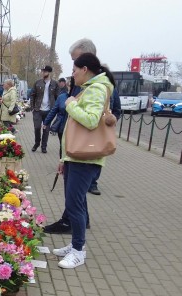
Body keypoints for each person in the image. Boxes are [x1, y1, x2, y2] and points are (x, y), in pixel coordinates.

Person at [44, 38, 121, 234]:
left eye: (75, 62)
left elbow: (98, 116)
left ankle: (76, 239)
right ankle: (73, 222)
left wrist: (72, 105)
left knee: (76, 196)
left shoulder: (97, 85)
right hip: (74, 144)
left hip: (86, 148)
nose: (73, 69)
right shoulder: (89, 82)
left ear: (86, 63)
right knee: (74, 195)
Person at [52, 53, 115, 269]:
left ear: (85, 69)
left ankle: (78, 250)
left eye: (75, 69)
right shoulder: (90, 88)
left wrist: (70, 104)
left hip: (85, 158)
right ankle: (75, 244)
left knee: (74, 204)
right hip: (75, 156)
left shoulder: (97, 89)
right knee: (76, 202)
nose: (73, 73)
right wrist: (64, 158)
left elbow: (90, 121)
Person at [29, 65, 60, 153]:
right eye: (42, 71)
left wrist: (56, 110)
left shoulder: (55, 84)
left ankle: (44, 146)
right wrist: (32, 108)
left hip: (49, 111)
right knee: (37, 127)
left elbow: (58, 97)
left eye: (44, 71)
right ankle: (37, 143)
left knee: (46, 129)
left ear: (49, 73)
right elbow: (32, 95)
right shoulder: (37, 82)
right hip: (38, 109)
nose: (42, 73)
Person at [42, 78, 70, 144]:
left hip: (73, 129)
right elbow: (54, 110)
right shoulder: (61, 96)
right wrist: (46, 122)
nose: (69, 87)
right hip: (62, 126)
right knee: (62, 146)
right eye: (69, 85)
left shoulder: (78, 97)